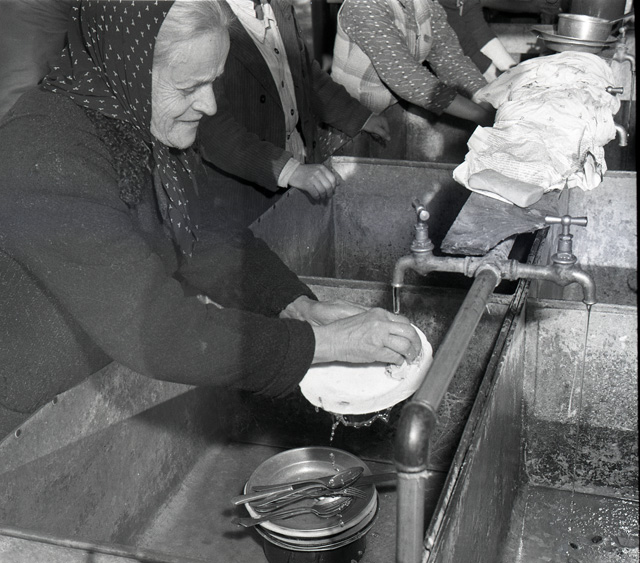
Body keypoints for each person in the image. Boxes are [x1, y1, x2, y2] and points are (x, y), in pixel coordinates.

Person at [0, 0, 421, 436]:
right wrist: (327, 343)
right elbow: (155, 328)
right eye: (189, 88)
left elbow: (201, 235)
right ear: (131, 66)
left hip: (88, 392)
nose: (210, 105)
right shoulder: (46, 155)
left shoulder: (131, 113)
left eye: (213, 82)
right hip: (21, 420)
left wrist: (298, 306)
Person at [196, 0, 391, 227]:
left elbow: (307, 75)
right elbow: (213, 132)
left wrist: (359, 117)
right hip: (245, 198)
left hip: (299, 167)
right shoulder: (205, 17)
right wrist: (289, 170)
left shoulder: (279, 6)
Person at [331, 0, 496, 160]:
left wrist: (485, 98)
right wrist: (478, 113)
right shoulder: (364, 5)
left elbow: (450, 60)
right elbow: (405, 76)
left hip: (389, 115)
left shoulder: (426, 4)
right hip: (347, 123)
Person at [436, 0, 517, 81]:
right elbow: (464, 46)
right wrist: (503, 82)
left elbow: (478, 29)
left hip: (460, 56)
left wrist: (514, 73)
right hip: (441, 65)